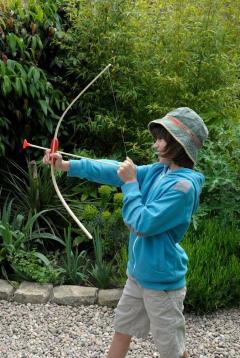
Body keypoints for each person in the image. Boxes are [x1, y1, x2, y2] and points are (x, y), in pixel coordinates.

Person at [43, 107, 208, 358]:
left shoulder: (183, 188)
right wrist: (67, 165)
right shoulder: (159, 171)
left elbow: (142, 223)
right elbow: (114, 170)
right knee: (122, 328)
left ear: (177, 144)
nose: (156, 144)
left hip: (162, 283)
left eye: (161, 138)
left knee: (171, 348)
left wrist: (131, 184)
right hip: (138, 275)